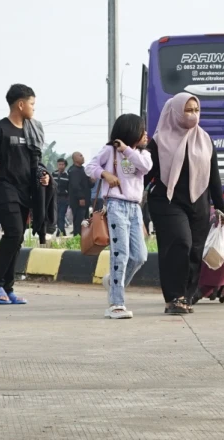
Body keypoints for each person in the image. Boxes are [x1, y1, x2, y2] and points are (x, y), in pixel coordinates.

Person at [146, 93, 224, 315]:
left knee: (195, 250)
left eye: (196, 110)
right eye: (187, 110)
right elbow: (145, 174)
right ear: (175, 112)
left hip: (199, 203)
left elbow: (213, 177)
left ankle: (187, 295)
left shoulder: (205, 139)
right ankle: (174, 297)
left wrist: (222, 208)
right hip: (167, 202)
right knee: (179, 243)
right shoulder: (158, 141)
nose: (193, 115)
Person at [0, 84, 49, 305]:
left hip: (25, 189)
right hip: (3, 188)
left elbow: (36, 163)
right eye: (32, 104)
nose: (34, 108)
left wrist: (44, 176)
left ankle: (8, 287)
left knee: (17, 237)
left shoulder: (32, 130)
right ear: (21, 104)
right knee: (13, 232)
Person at [86, 114, 152, 319]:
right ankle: (116, 303)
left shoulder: (143, 154)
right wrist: (105, 174)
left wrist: (127, 150)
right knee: (120, 254)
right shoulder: (109, 151)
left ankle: (113, 282)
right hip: (115, 205)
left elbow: (146, 168)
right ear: (131, 131)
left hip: (135, 208)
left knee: (140, 255)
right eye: (142, 130)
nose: (146, 134)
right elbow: (90, 167)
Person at [68, 152, 92, 235]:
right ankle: (77, 237)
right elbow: (75, 186)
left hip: (86, 200)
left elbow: (89, 184)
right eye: (80, 155)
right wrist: (81, 197)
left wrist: (92, 181)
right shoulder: (73, 170)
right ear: (75, 159)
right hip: (78, 201)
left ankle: (85, 238)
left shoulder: (83, 169)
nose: (83, 157)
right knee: (79, 220)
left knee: (86, 220)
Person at [53, 158, 70, 236]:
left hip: (64, 199)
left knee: (61, 215)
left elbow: (70, 188)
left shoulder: (68, 175)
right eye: (59, 164)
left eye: (62, 164)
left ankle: (60, 232)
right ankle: (62, 231)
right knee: (56, 216)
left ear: (65, 165)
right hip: (55, 199)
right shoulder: (53, 174)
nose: (61, 166)